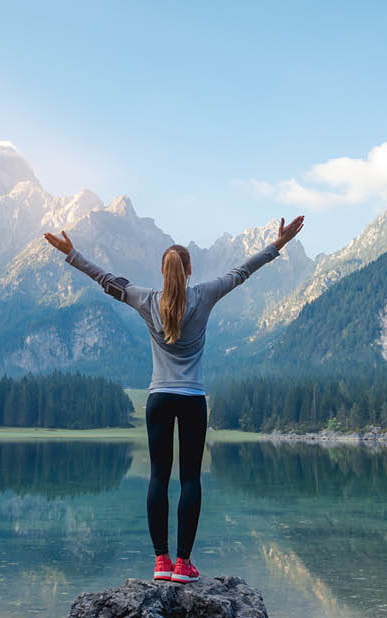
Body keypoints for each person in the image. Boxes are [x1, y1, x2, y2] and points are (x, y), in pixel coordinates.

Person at [43, 215, 304, 584]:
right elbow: (243, 271)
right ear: (189, 270)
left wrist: (72, 254)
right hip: (193, 400)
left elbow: (105, 280)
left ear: (163, 272)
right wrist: (278, 245)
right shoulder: (206, 294)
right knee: (190, 481)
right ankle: (184, 564)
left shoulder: (146, 300)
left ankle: (161, 562)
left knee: (158, 479)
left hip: (158, 400)